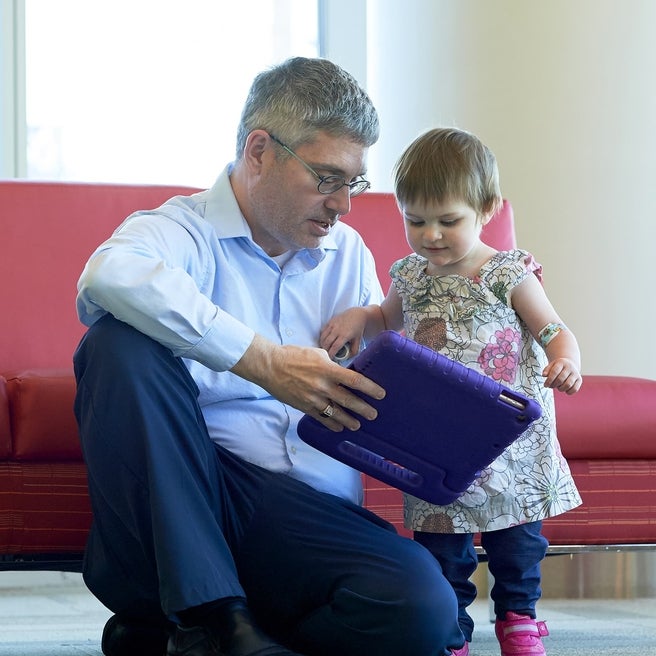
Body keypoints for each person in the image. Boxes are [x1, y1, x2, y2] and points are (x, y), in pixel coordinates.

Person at [73, 58, 466, 656]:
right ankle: (216, 616)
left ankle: (191, 635)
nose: (344, 205)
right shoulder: (180, 231)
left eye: (353, 184)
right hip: (196, 490)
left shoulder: (349, 253)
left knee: (423, 608)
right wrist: (260, 360)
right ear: (259, 151)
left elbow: (376, 390)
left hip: (303, 520)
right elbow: (107, 276)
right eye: (327, 178)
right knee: (117, 343)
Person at [320, 127, 583, 656]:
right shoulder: (411, 277)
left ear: (486, 209)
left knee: (517, 541)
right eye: (415, 221)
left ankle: (519, 618)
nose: (431, 235)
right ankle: (452, 627)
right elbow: (386, 322)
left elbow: (552, 327)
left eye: (448, 221)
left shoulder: (508, 272)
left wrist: (565, 357)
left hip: (507, 441)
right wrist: (359, 317)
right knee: (444, 544)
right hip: (439, 438)